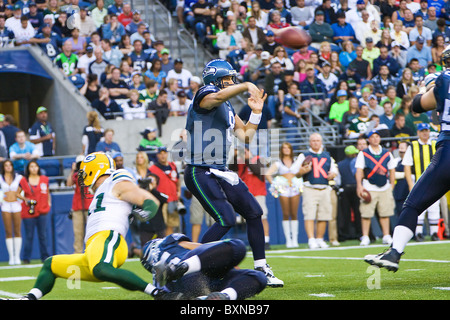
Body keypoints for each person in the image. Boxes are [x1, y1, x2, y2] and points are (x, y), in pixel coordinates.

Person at [183, 59, 283, 287]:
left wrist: (256, 113)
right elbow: (216, 97)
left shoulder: (227, 106)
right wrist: (247, 84)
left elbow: (246, 136)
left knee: (254, 212)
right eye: (227, 78)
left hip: (220, 169)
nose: (232, 82)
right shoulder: (206, 94)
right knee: (225, 218)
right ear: (216, 80)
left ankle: (261, 268)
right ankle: (189, 268)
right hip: (200, 169)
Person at [17, 152, 168, 300]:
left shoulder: (115, 179)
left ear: (94, 168)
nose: (82, 176)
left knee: (101, 268)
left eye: (84, 171)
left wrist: (147, 209)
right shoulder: (101, 190)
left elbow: (147, 199)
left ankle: (158, 293)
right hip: (93, 249)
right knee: (51, 265)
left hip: (108, 238)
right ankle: (29, 298)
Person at [364, 53, 450, 271]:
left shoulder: (443, 78)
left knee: (413, 205)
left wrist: (425, 88)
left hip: (448, 152)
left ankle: (395, 252)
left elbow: (419, 105)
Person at [141, 233, 267, 300]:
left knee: (258, 276)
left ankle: (216, 298)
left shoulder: (157, 281)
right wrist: (225, 258)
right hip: (195, 263)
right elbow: (201, 247)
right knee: (239, 248)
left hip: (186, 286)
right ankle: (181, 268)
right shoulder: (166, 243)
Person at [296, 133, 338, 249]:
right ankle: (311, 239)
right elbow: (297, 172)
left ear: (321, 142)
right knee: (309, 215)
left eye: (317, 140)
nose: (315, 142)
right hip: (310, 187)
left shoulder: (327, 155)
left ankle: (320, 239)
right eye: (313, 140)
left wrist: (333, 174)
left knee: (323, 215)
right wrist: (303, 171)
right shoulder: (304, 155)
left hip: (325, 188)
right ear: (310, 142)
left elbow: (334, 170)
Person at [355, 129, 396, 246]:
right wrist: (359, 185)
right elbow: (359, 170)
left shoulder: (387, 153)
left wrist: (391, 185)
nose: (375, 139)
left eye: (377, 136)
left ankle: (386, 235)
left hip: (384, 186)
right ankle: (365, 236)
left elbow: (392, 169)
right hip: (369, 186)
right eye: (372, 137)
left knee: (385, 213)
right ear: (369, 139)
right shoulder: (363, 153)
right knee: (366, 213)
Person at [401, 123, 440, 241]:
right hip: (417, 179)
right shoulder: (412, 146)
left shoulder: (435, 145)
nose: (425, 133)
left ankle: (434, 233)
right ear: (418, 133)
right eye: (422, 131)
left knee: (434, 207)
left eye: (426, 131)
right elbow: (407, 167)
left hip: (434, 181)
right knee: (418, 207)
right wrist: (410, 184)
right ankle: (418, 233)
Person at [265, 142, 302, 248]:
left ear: (291, 149)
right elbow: (268, 173)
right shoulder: (278, 163)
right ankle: (288, 240)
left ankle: (295, 239)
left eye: (288, 148)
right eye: (284, 148)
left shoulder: (296, 161)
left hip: (295, 187)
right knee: (286, 213)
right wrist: (275, 184)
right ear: (281, 150)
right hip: (284, 189)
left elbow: (301, 171)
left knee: (294, 213)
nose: (286, 150)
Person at [19, 160, 51, 264]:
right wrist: (26, 199)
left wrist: (49, 203)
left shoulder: (44, 179)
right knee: (29, 235)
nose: (33, 168)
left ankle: (45, 257)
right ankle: (26, 258)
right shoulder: (24, 180)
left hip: (42, 209)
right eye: (31, 167)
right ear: (28, 169)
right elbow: (17, 193)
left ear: (38, 168)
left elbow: (48, 192)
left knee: (43, 235)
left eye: (35, 166)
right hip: (29, 211)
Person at [148, 146, 181, 236]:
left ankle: (171, 244)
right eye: (160, 154)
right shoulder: (152, 169)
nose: (163, 156)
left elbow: (177, 180)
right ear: (157, 155)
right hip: (161, 201)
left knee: (173, 224)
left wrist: (179, 191)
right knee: (163, 225)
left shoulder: (173, 166)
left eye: (164, 153)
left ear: (167, 154)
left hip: (173, 199)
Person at [66, 155, 93, 254]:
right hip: (77, 207)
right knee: (78, 232)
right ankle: (77, 253)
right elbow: (68, 184)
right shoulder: (75, 175)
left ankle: (91, 252)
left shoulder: (90, 174)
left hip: (89, 206)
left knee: (91, 231)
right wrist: (73, 170)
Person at [0, 160, 24, 265]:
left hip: (16, 205)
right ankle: (11, 257)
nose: (8, 167)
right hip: (5, 205)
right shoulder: (0, 178)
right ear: (3, 167)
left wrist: (20, 198)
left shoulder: (19, 177)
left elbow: (24, 189)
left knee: (17, 230)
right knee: (8, 231)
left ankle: (17, 256)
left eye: (10, 165)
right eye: (6, 165)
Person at [337, 145, 362, 242]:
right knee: (358, 212)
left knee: (345, 213)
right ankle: (360, 233)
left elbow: (338, 180)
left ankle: (344, 235)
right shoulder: (357, 162)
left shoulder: (340, 164)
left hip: (345, 188)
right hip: (356, 187)